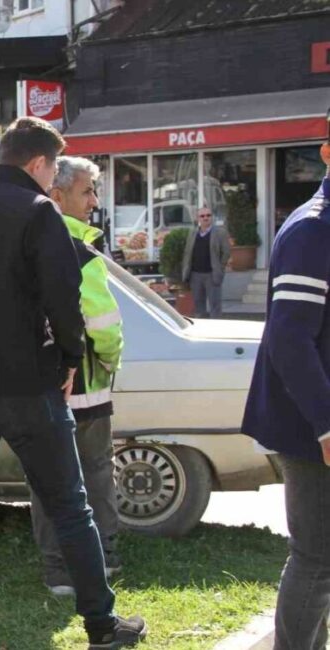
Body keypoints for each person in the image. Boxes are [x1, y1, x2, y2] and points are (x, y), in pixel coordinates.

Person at [0, 116, 145, 649]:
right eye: (51, 171)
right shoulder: (38, 211)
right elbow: (63, 300)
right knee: (69, 506)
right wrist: (68, 360)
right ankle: (102, 626)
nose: (51, 182)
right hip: (27, 386)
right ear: (39, 163)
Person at [241, 120, 330, 650]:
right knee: (317, 556)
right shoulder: (313, 230)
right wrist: (325, 423)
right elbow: (290, 338)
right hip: (310, 424)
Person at [32, 156, 124, 596]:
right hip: (87, 385)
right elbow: (105, 327)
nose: (94, 200)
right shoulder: (82, 253)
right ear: (57, 195)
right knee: (95, 475)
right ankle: (103, 561)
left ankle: (57, 572)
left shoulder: (27, 244)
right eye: (87, 191)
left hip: (41, 387)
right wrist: (110, 361)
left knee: (47, 482)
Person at [181, 207, 231, 318]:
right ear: (198, 218)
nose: (206, 218)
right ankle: (201, 330)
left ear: (212, 217)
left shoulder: (220, 233)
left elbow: (226, 252)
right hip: (195, 275)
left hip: (211, 274)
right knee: (199, 306)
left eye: (208, 215)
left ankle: (215, 331)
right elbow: (187, 252)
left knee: (215, 306)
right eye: (202, 216)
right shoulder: (193, 233)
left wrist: (220, 267)